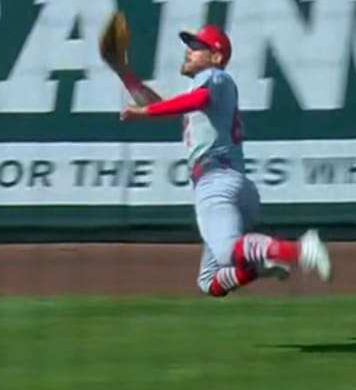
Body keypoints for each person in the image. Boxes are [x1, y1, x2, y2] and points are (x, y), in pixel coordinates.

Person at [112, 24, 333, 297]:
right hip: (233, 184)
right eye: (189, 45)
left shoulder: (216, 78)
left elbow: (194, 99)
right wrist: (125, 74)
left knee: (228, 250)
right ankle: (255, 267)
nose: (189, 51)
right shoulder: (203, 90)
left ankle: (301, 249)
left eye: (197, 47)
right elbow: (171, 105)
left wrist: (143, 113)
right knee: (209, 282)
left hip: (217, 182)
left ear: (216, 57)